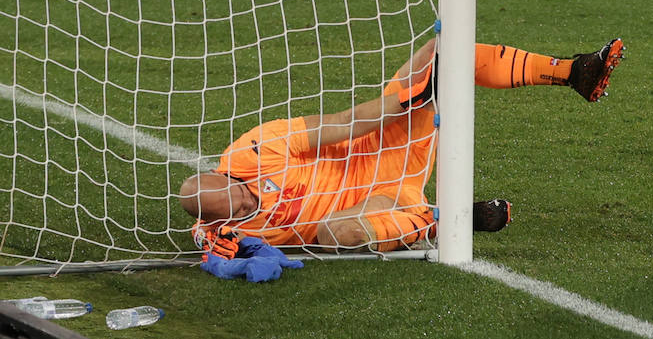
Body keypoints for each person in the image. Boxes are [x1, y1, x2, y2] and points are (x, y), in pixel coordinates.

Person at [178, 36, 626, 262]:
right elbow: (218, 253)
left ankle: (573, 71)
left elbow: (344, 123)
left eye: (236, 189)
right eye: (237, 207)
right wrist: (227, 257)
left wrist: (408, 99)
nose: (244, 199)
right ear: (218, 218)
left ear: (225, 174)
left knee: (439, 51)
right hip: (374, 203)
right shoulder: (224, 232)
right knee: (334, 236)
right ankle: (439, 222)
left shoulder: (255, 150)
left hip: (380, 145)